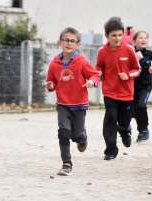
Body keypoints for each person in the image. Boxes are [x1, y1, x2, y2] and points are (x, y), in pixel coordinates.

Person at [46, 27, 100, 176]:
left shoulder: (81, 61)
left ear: (78, 45)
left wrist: (91, 81)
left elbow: (95, 75)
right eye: (66, 40)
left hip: (79, 105)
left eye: (72, 41)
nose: (69, 43)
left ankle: (82, 137)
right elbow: (51, 80)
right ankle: (66, 164)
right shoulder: (54, 63)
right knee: (63, 132)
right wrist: (50, 85)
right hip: (63, 104)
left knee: (76, 135)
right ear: (60, 42)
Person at [96, 19, 141, 160]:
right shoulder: (102, 51)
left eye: (120, 35)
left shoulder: (129, 50)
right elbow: (99, 67)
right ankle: (110, 150)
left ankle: (125, 131)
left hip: (126, 93)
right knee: (110, 118)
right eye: (114, 35)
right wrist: (99, 73)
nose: (117, 38)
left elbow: (137, 69)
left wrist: (127, 75)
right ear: (107, 36)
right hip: (109, 92)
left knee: (123, 121)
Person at [132, 31, 152, 142]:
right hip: (133, 85)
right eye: (140, 38)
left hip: (146, 85)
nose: (143, 40)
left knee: (141, 105)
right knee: (134, 110)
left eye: (145, 38)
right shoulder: (130, 53)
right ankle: (139, 130)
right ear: (134, 41)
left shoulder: (149, 53)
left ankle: (144, 130)